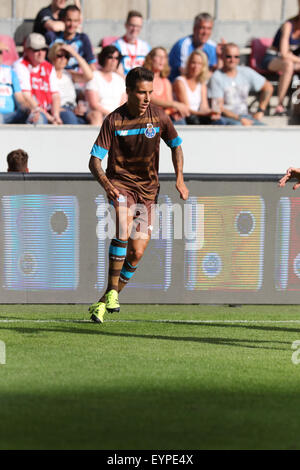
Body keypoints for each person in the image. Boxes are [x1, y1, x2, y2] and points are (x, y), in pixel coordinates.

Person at [88, 67, 189, 323]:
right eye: (141, 93)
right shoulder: (113, 121)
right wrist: (106, 184)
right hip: (120, 184)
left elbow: (176, 146)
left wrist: (179, 177)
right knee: (122, 225)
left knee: (137, 253)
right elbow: (94, 162)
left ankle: (102, 302)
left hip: (148, 191)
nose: (147, 98)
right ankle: (112, 293)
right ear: (129, 92)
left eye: (150, 92)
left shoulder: (159, 118)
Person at [209, 43, 273, 126]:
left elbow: (268, 87)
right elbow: (217, 107)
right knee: (238, 127)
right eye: (229, 56)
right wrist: (240, 119)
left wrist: (260, 111)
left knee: (265, 130)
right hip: (225, 118)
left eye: (236, 56)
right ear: (222, 57)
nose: (233, 60)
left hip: (245, 116)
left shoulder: (246, 72)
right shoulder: (216, 77)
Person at [261, 2, 300, 116]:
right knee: (288, 65)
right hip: (272, 58)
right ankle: (280, 105)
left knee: (291, 65)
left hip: (292, 61)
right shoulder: (288, 25)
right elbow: (284, 53)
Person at [14, 33, 61, 125]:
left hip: (48, 109)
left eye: (43, 49)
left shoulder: (49, 67)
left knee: (69, 118)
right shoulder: (20, 65)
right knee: (38, 119)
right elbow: (27, 97)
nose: (41, 53)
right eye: (36, 50)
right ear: (27, 50)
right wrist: (49, 117)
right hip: (30, 110)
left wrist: (56, 115)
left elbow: (55, 95)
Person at [48, 42, 98, 124]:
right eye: (60, 56)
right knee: (70, 117)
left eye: (67, 56)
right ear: (52, 56)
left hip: (73, 109)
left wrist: (75, 54)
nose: (63, 59)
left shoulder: (69, 73)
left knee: (94, 116)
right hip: (58, 110)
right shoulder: (47, 73)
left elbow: (89, 76)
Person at [168, 12, 224, 83]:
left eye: (209, 28)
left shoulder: (213, 46)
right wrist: (212, 72)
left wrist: (221, 57)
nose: (205, 32)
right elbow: (186, 74)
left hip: (201, 86)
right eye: (202, 28)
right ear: (194, 29)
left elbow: (219, 73)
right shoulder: (183, 45)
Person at [173, 49, 223, 125]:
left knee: (218, 121)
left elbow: (204, 107)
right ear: (188, 63)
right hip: (186, 116)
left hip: (198, 116)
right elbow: (186, 109)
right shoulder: (180, 81)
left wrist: (213, 112)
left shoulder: (201, 84)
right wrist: (206, 114)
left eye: (199, 64)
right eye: (193, 62)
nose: (196, 66)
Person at [143, 47, 190, 123]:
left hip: (164, 117)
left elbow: (169, 103)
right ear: (150, 59)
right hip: (148, 118)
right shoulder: (144, 79)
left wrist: (174, 111)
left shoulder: (166, 82)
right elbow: (150, 99)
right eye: (159, 56)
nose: (162, 59)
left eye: (164, 57)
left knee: (180, 120)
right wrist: (175, 104)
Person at [45, 4, 96, 73]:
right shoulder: (52, 36)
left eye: (75, 21)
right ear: (63, 20)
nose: (72, 24)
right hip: (53, 76)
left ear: (79, 22)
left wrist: (74, 53)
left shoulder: (83, 39)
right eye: (69, 20)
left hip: (73, 77)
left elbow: (91, 66)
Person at [85, 45, 127, 126]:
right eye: (110, 57)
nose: (113, 61)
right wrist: (111, 114)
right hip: (99, 114)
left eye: (116, 58)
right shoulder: (94, 76)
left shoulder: (119, 79)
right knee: (96, 115)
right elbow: (93, 104)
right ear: (103, 58)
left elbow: (123, 103)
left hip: (116, 116)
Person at [113, 10, 151, 76]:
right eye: (132, 25)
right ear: (126, 25)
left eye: (138, 26)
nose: (135, 29)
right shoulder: (116, 46)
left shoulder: (146, 46)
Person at [0, 41, 30, 124]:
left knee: (35, 118)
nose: (0, 56)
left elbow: (19, 97)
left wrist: (27, 109)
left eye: (0, 52)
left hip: (12, 114)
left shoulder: (10, 72)